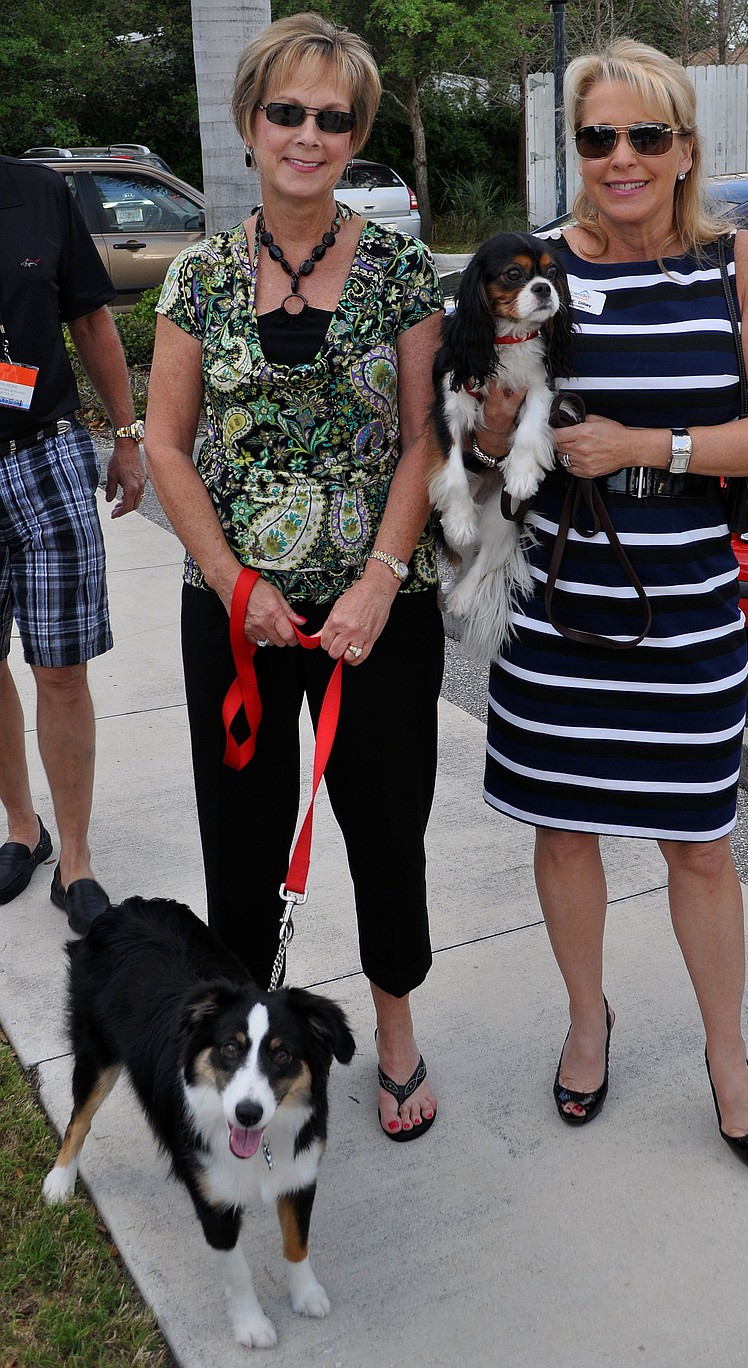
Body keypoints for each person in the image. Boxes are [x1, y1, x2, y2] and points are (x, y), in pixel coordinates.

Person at [473, 40, 748, 1166]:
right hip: (563, 591)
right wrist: (484, 422)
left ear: (683, 149)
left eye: (645, 137)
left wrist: (648, 442)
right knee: (565, 831)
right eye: (597, 137)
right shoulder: (539, 265)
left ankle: (726, 1053)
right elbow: (490, 421)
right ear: (577, 150)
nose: (621, 159)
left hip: (687, 596)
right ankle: (587, 1022)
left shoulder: (736, 263)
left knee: (700, 848)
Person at [144, 13, 444, 1141]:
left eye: (333, 117)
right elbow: (167, 445)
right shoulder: (200, 277)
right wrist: (231, 582)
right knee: (242, 838)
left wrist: (376, 578)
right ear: (250, 122)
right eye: (288, 113)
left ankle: (396, 1038)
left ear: (356, 132)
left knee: (384, 824)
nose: (308, 135)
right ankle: (241, 1052)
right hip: (234, 620)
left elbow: (424, 439)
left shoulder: (402, 266)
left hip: (380, 614)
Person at [0, 154, 146, 933]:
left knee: (61, 669)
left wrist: (126, 436)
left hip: (47, 457)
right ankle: (23, 828)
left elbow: (91, 317)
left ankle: (77, 860)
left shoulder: (37, 192)